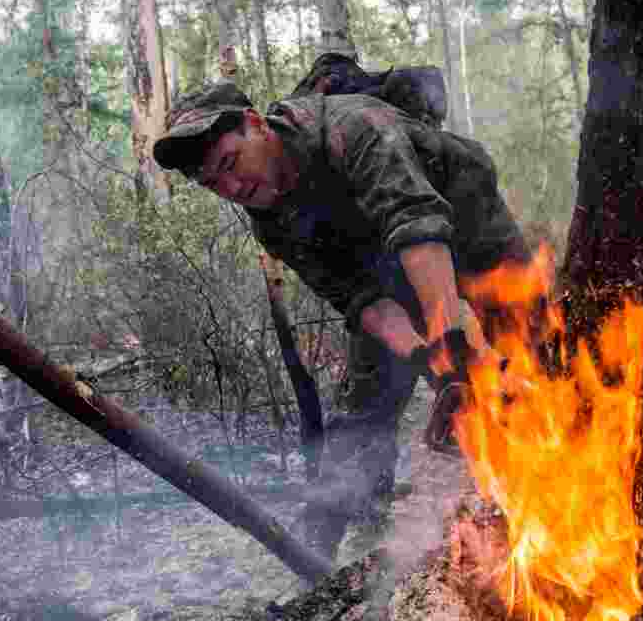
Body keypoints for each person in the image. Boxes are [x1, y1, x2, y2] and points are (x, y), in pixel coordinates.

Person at [152, 80, 531, 559]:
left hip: (468, 223)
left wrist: (450, 349)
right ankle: (317, 561)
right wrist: (428, 359)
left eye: (230, 163)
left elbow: (417, 225)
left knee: (537, 349)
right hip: (387, 265)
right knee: (363, 409)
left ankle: (576, 487)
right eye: (212, 184)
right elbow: (361, 301)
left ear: (255, 124)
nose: (232, 188)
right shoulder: (271, 221)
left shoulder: (355, 127)